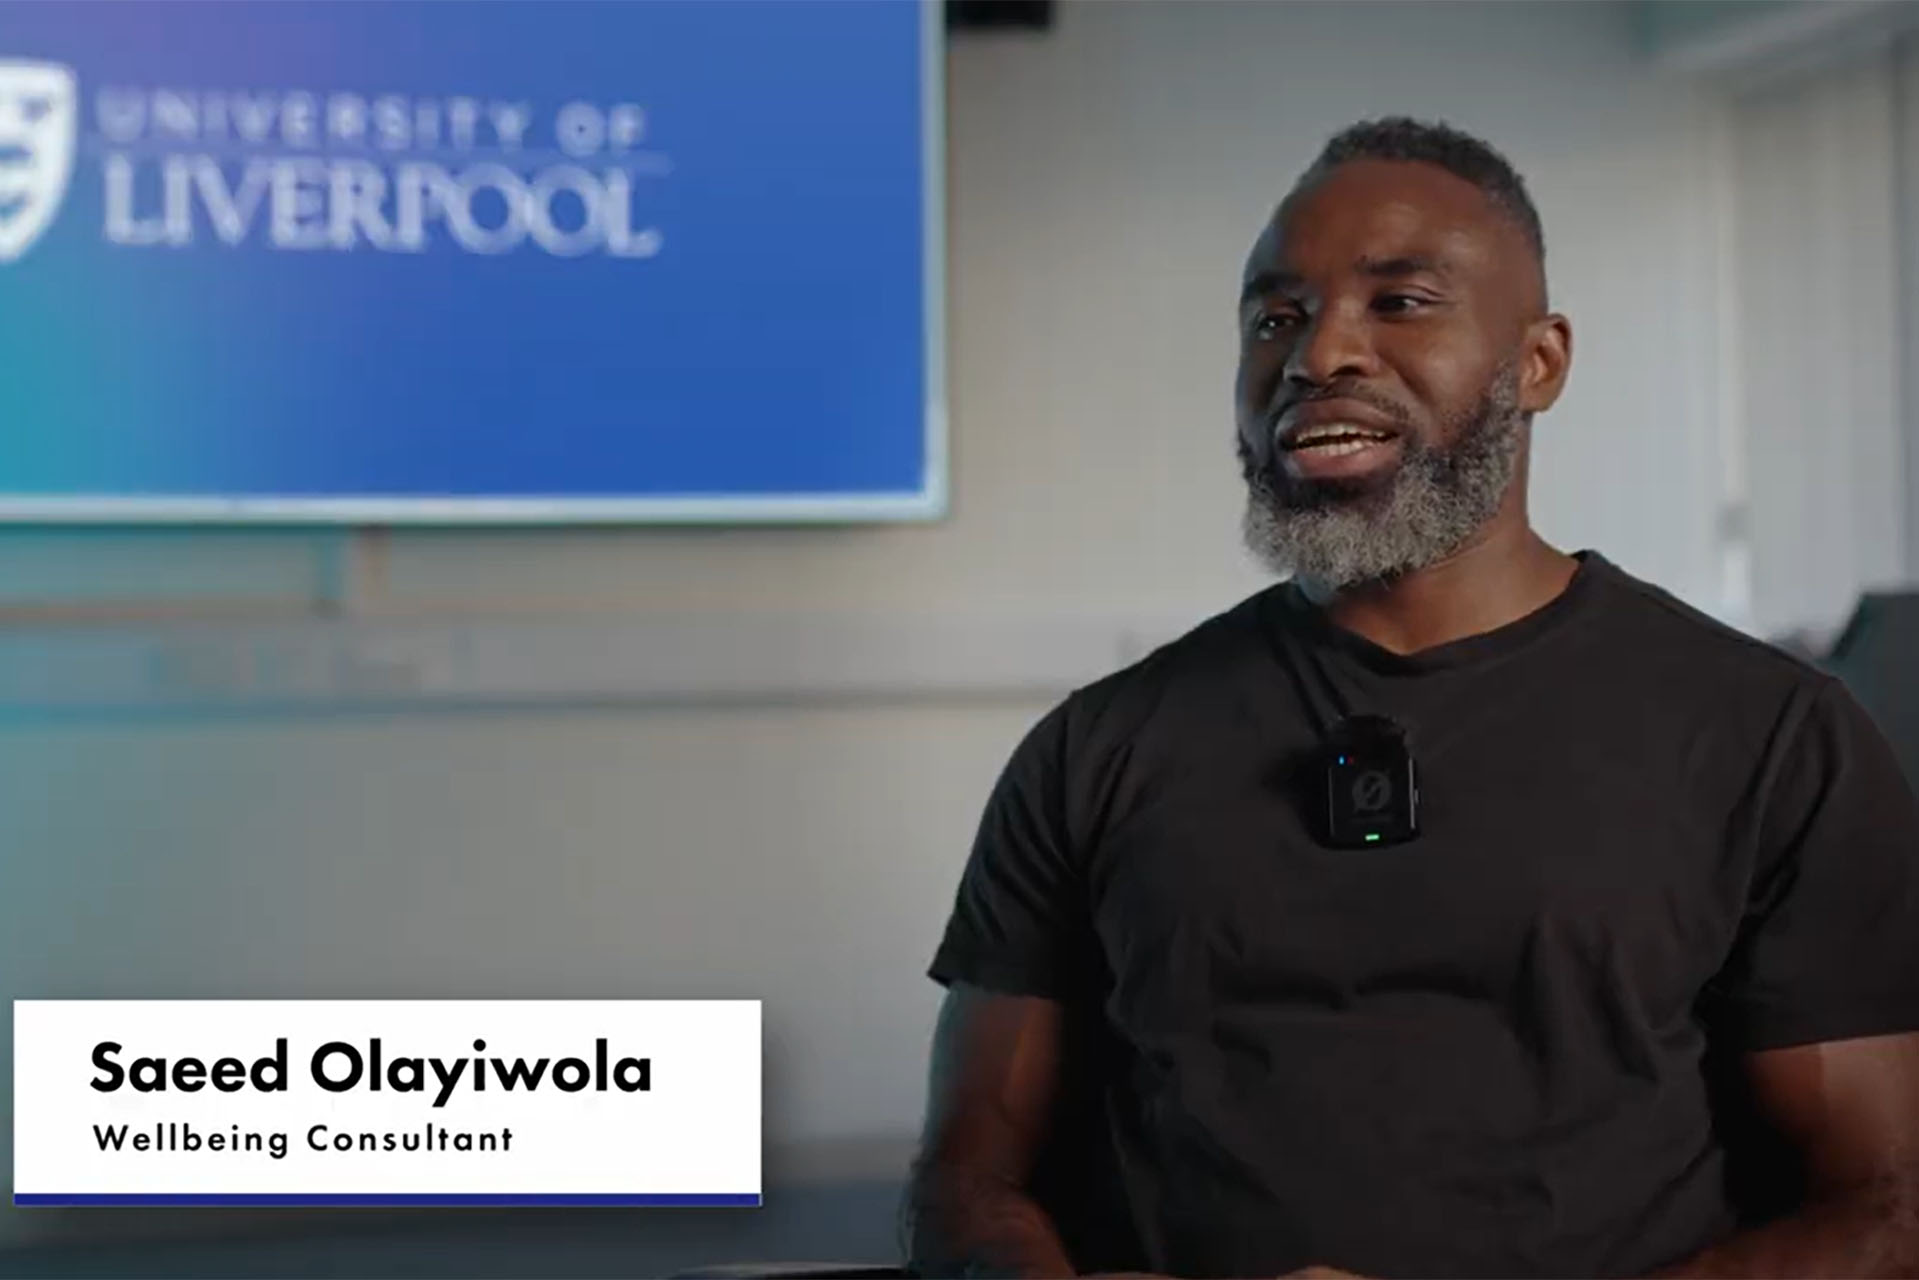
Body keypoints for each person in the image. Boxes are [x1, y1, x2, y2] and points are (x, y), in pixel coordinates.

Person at [903, 117, 1919, 1279]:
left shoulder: (1772, 740)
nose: (1316, 352)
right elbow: (966, 1186)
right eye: (1273, 317)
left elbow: (1881, 1214)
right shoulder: (1096, 748)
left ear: (1536, 362)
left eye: (1398, 302)